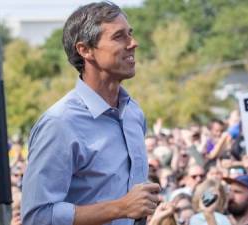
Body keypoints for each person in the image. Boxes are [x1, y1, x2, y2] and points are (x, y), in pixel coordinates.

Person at [21, 2, 160, 225]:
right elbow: (38, 216)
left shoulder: (134, 114)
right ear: (85, 50)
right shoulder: (59, 124)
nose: (133, 44)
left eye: (130, 34)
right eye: (119, 36)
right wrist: (120, 207)